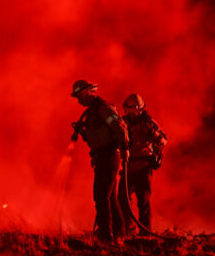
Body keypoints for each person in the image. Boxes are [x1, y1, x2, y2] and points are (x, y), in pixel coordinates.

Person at [70, 80, 130, 243]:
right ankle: (119, 231)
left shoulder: (103, 108)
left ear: (88, 93)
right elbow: (96, 136)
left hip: (109, 154)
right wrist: (83, 132)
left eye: (79, 96)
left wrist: (124, 146)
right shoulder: (92, 112)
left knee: (101, 195)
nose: (78, 100)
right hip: (101, 156)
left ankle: (106, 235)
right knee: (109, 196)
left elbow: (119, 126)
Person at [118, 93, 167, 236]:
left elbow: (163, 140)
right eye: (126, 109)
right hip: (128, 165)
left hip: (144, 166)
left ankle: (146, 232)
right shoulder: (123, 122)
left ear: (137, 109)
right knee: (122, 198)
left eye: (130, 109)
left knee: (143, 201)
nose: (128, 112)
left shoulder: (148, 123)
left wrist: (155, 137)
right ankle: (128, 229)